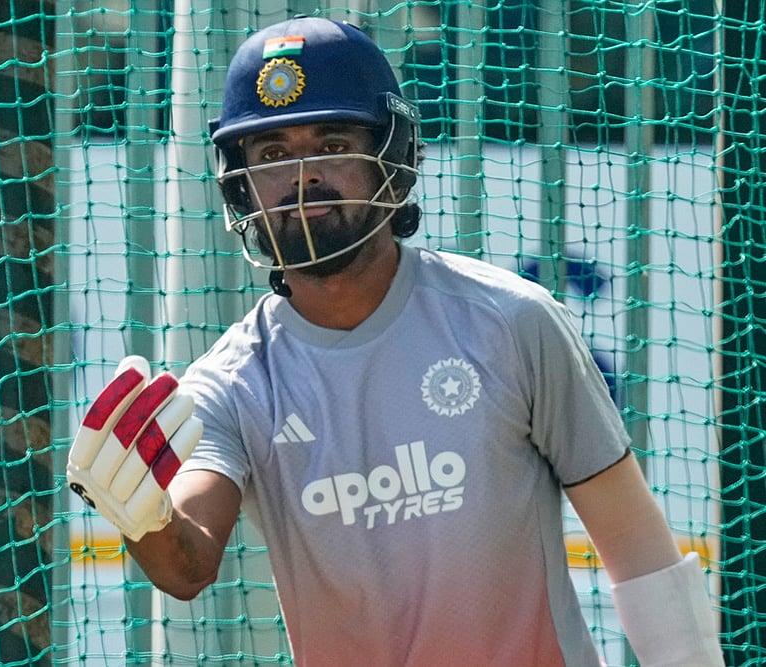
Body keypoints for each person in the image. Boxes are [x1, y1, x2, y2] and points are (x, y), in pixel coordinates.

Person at [67, 16, 725, 666]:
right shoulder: (232, 381)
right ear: (241, 189)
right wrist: (144, 517)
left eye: (330, 142)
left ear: (393, 155)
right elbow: (188, 564)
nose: (303, 176)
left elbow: (639, 551)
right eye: (271, 155)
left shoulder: (513, 321)